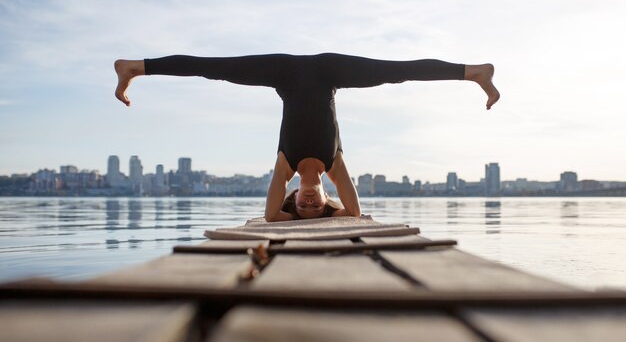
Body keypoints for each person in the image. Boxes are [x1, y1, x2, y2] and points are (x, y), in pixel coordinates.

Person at [114, 53, 499, 221]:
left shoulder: (285, 166)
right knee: (395, 71)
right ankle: (474, 72)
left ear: (293, 196)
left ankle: (135, 67)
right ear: (327, 197)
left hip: (281, 71)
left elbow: (269, 216)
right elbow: (353, 212)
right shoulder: (337, 166)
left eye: (303, 206)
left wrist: (289, 216)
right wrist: (336, 214)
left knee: (215, 68)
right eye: (318, 207)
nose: (311, 203)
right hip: (330, 71)